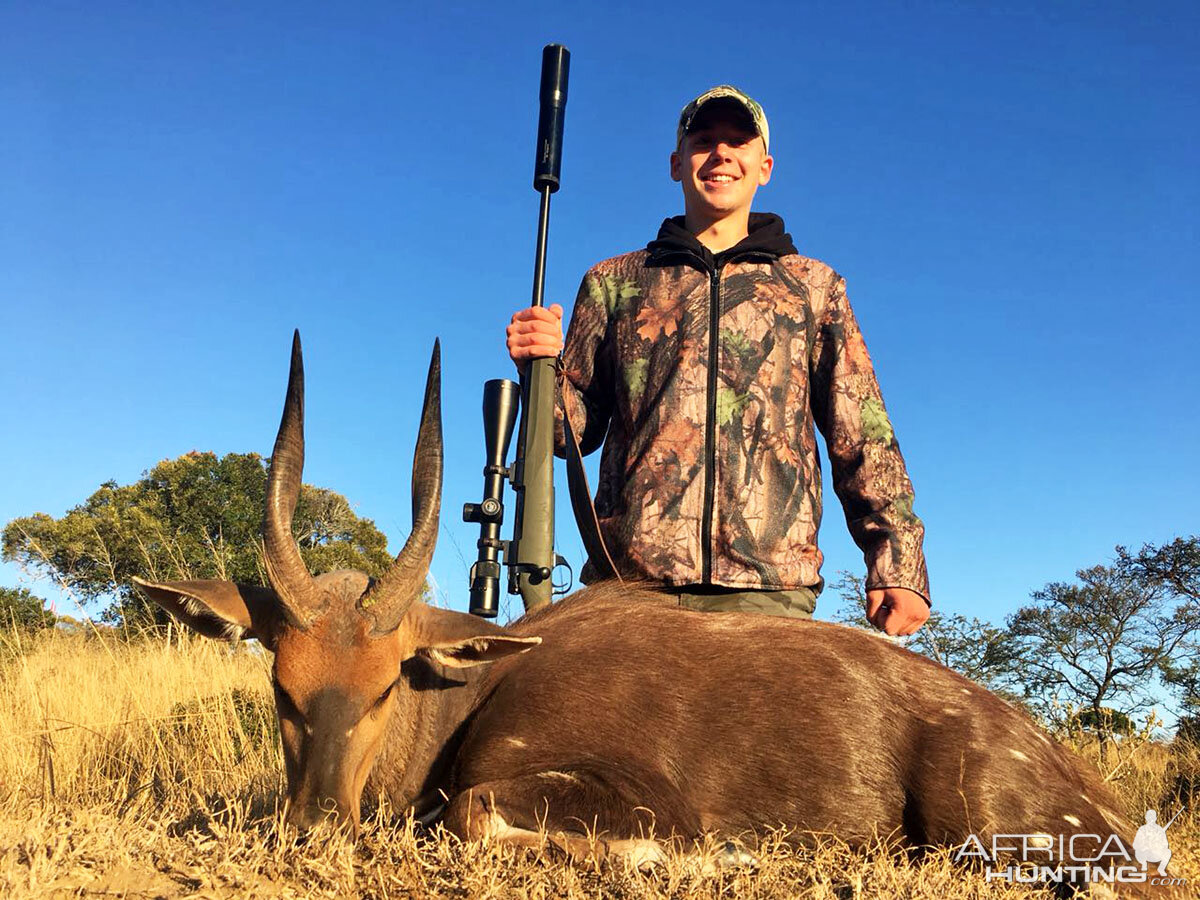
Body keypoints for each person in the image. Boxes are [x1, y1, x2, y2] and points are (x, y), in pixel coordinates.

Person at [507, 86, 930, 635]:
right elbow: (569, 434)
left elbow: (862, 431)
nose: (721, 154)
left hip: (769, 593)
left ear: (764, 167)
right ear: (677, 164)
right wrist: (541, 367)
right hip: (633, 590)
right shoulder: (613, 282)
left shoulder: (814, 287)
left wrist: (897, 560)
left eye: (738, 142)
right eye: (704, 141)